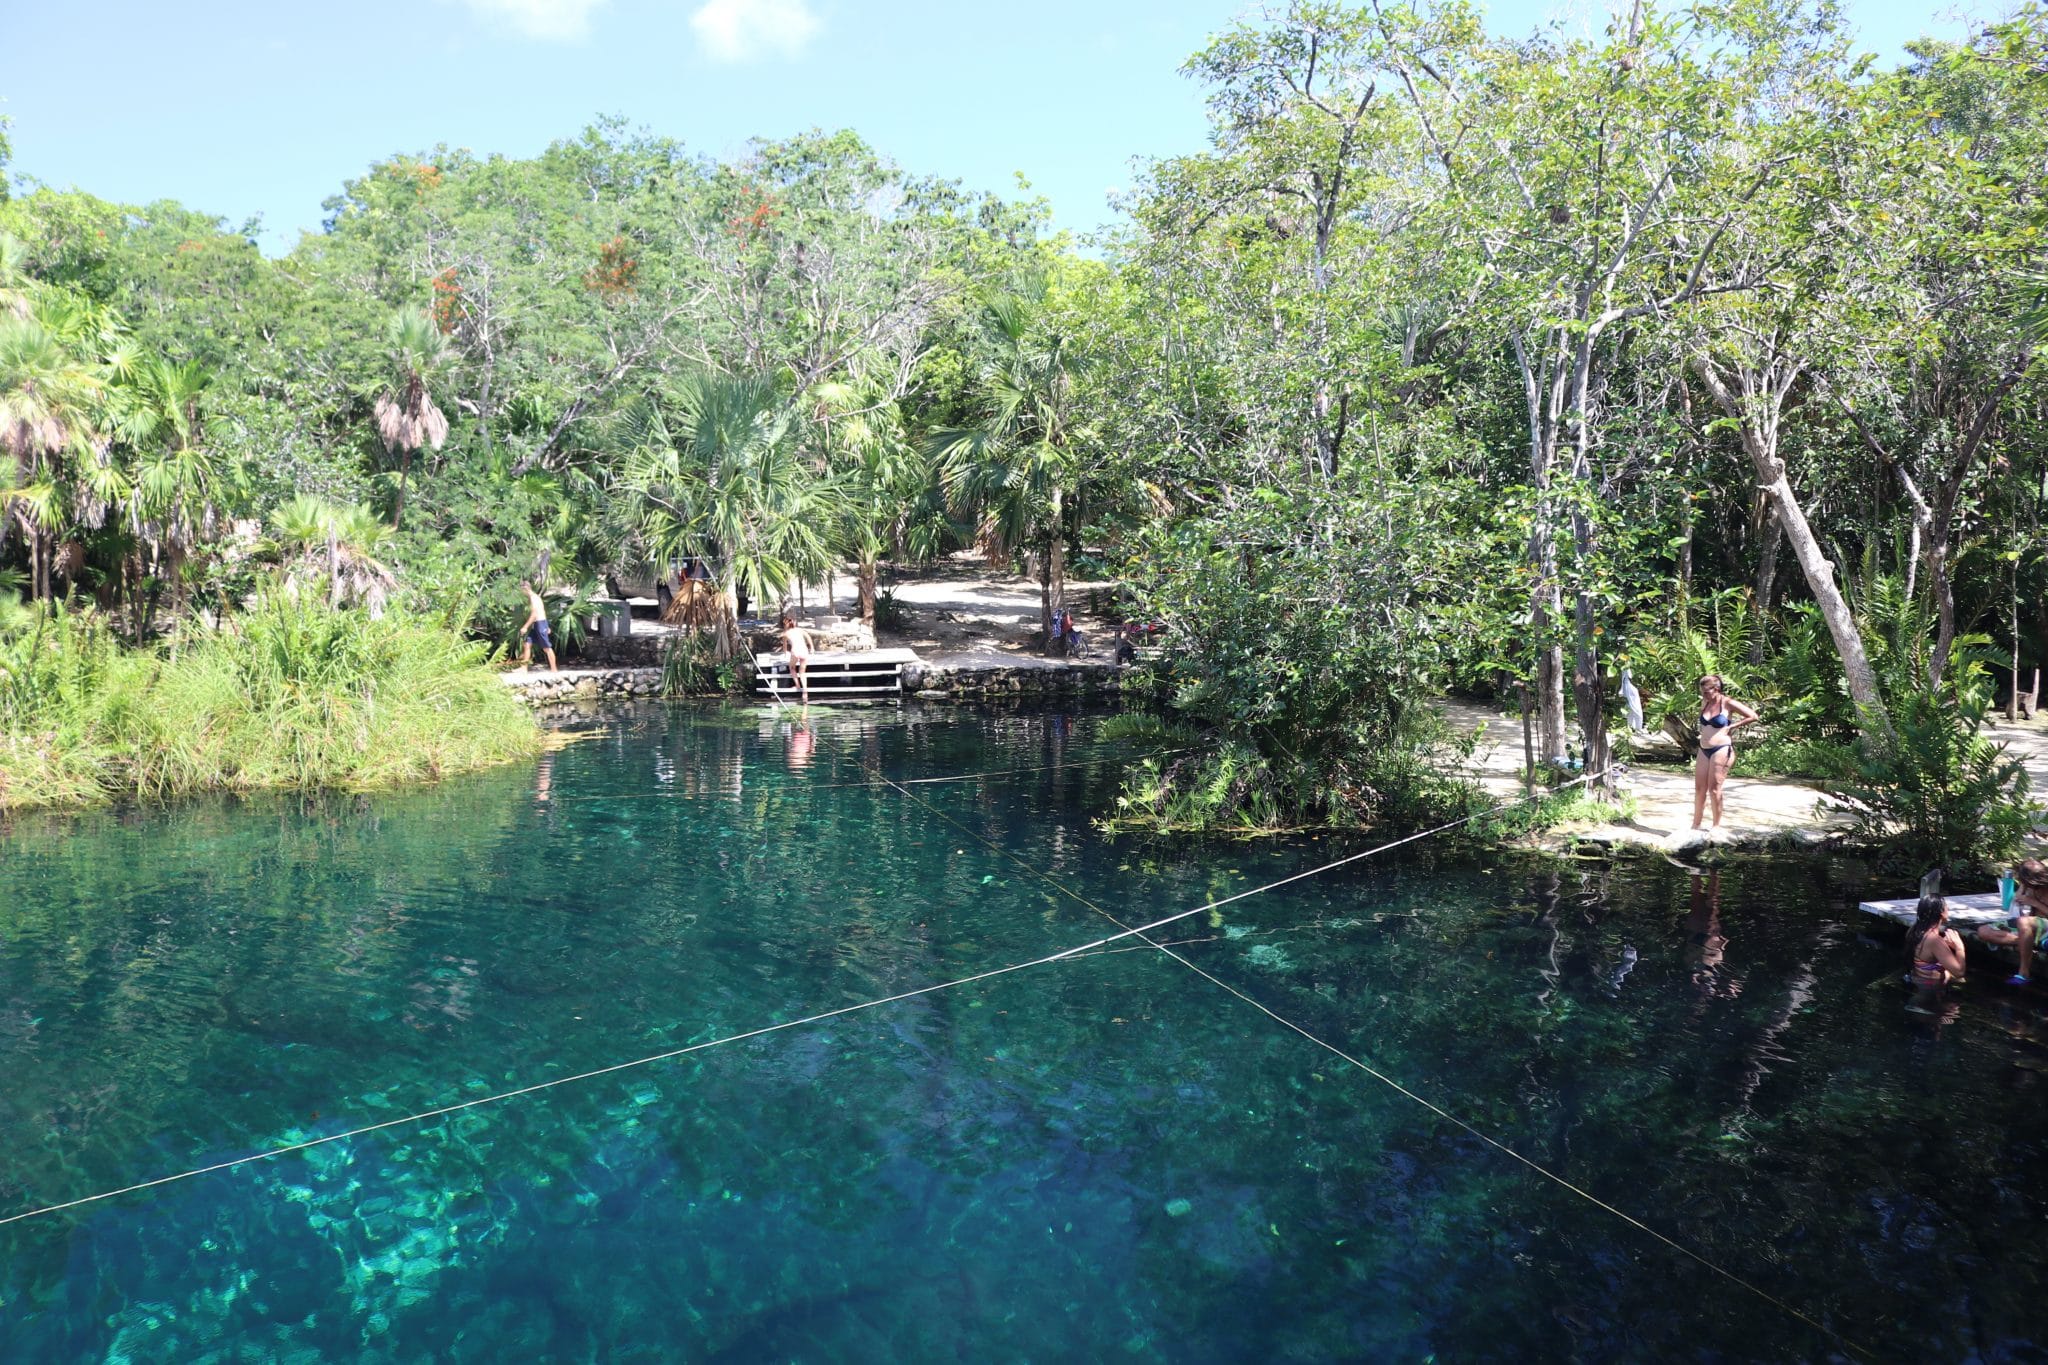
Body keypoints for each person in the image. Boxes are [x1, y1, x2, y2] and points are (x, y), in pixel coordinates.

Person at [1691, 674, 1760, 830]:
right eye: (1702, 692)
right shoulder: (1705, 702)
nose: (1704, 695)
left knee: (1714, 789)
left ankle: (1716, 826)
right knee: (1700, 789)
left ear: (1716, 689)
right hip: (1704, 749)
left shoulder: (1727, 703)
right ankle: (1696, 825)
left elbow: (1753, 716)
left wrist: (1732, 726)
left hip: (1721, 749)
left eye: (1706, 692)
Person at [1976, 858, 2048, 985]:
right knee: (1983, 931)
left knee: (2023, 922)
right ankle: (2027, 941)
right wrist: (2023, 888)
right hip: (2031, 925)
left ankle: (2024, 973)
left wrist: (2034, 902)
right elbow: (2016, 900)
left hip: (2043, 924)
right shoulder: (2027, 885)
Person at [1906, 894, 1968, 991]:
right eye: (1946, 906)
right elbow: (1959, 973)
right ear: (1941, 913)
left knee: (1958, 979)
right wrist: (1959, 947)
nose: (1948, 908)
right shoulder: (1934, 940)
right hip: (1931, 989)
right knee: (1962, 980)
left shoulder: (1913, 930)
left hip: (1918, 981)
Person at [517, 579, 557, 673]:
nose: (522, 593)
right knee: (527, 644)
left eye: (521, 591)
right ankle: (524, 668)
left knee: (546, 648)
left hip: (540, 624)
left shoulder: (534, 598)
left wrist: (525, 627)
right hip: (538, 624)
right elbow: (543, 611)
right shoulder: (534, 597)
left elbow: (535, 614)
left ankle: (554, 669)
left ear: (525, 589)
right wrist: (547, 625)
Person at [778, 612, 811, 703]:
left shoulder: (786, 633)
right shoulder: (800, 630)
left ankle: (797, 685)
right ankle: (805, 692)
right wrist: (812, 648)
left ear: (786, 623)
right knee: (802, 672)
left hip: (795, 652)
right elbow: (808, 637)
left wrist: (785, 653)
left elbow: (784, 645)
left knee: (792, 667)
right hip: (804, 651)